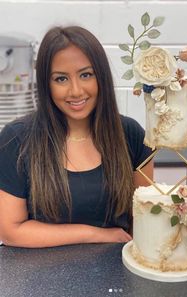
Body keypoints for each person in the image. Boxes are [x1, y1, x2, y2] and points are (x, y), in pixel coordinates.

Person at [0, 26, 153, 248]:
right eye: (61, 79)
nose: (76, 91)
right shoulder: (16, 140)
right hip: (38, 276)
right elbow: (11, 231)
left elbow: (144, 218)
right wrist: (96, 234)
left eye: (85, 75)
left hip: (116, 272)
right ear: (46, 84)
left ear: (101, 77)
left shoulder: (130, 134)